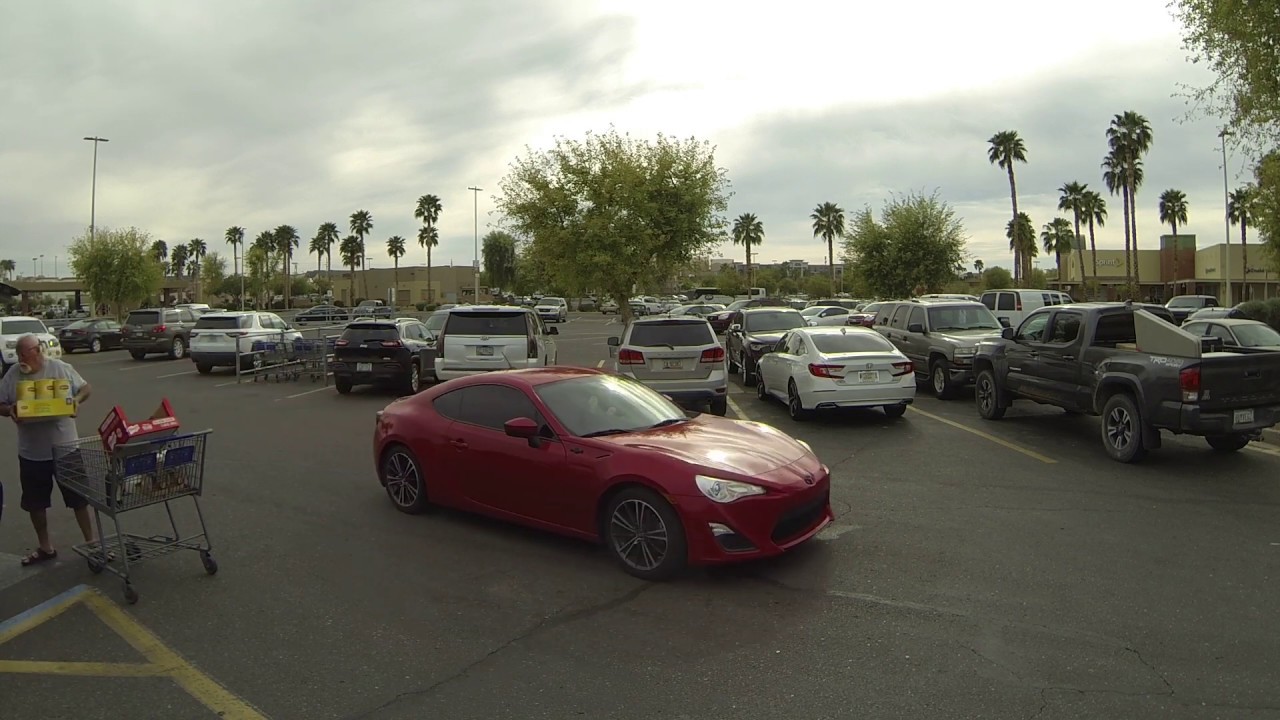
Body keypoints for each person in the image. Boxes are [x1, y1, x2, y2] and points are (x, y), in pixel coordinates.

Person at [0, 334, 96, 566]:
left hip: (65, 448)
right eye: (20, 354)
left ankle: (92, 544)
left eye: (27, 353)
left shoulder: (59, 369)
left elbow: (85, 388)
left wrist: (76, 401)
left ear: (38, 351)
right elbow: (1, 403)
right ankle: (46, 547)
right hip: (32, 452)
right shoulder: (13, 375)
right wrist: (10, 410)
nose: (23, 359)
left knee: (79, 499)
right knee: (36, 503)